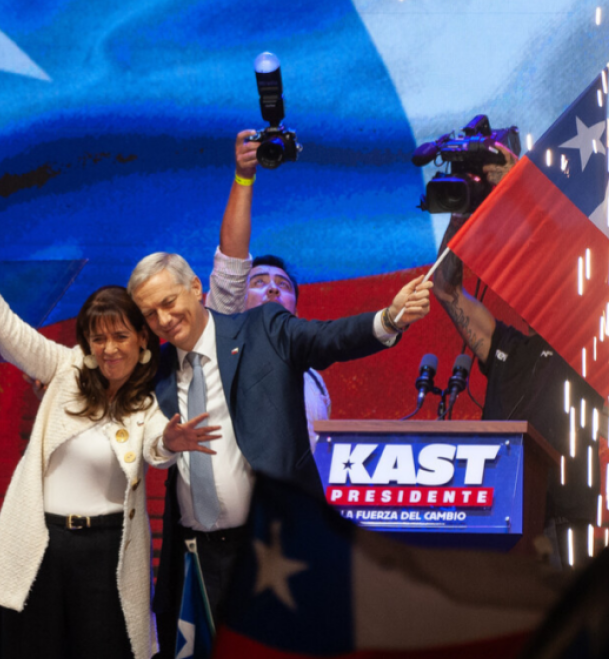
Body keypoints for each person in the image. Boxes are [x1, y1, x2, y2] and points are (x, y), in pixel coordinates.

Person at [129, 252, 431, 627]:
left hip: (274, 547)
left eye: (168, 302)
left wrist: (389, 318)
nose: (163, 319)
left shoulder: (263, 328)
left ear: (195, 287)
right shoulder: (154, 370)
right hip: (196, 556)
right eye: (150, 314)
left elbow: (329, 338)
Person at [0, 255, 217, 659]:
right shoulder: (63, 369)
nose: (109, 349)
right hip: (42, 542)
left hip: (107, 551)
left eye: (120, 336)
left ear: (142, 338)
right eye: (97, 338)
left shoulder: (149, 399)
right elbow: (3, 327)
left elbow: (156, 446)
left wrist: (171, 442)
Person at [430, 142, 605, 567]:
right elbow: (445, 289)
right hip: (496, 515)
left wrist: (523, 190)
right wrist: (462, 212)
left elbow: (577, 259)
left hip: (563, 521)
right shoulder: (506, 345)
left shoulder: (591, 347)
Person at [203, 130, 331, 452]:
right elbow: (231, 263)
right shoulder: (222, 343)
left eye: (283, 285)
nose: (273, 288)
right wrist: (244, 177)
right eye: (258, 282)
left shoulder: (315, 380)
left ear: (295, 311)